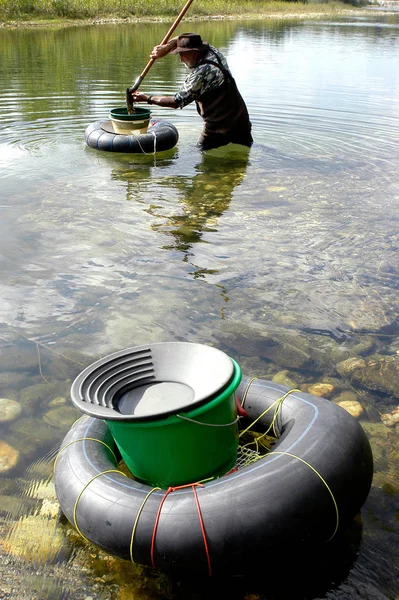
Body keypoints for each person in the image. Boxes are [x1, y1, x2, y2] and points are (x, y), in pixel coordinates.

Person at [131, 33, 253, 151]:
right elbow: (182, 38)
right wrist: (166, 48)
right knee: (243, 156)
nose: (180, 59)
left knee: (203, 158)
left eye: (183, 55)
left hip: (218, 127)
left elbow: (176, 101)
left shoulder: (201, 73)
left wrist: (147, 98)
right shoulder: (212, 51)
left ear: (195, 54)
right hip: (241, 121)